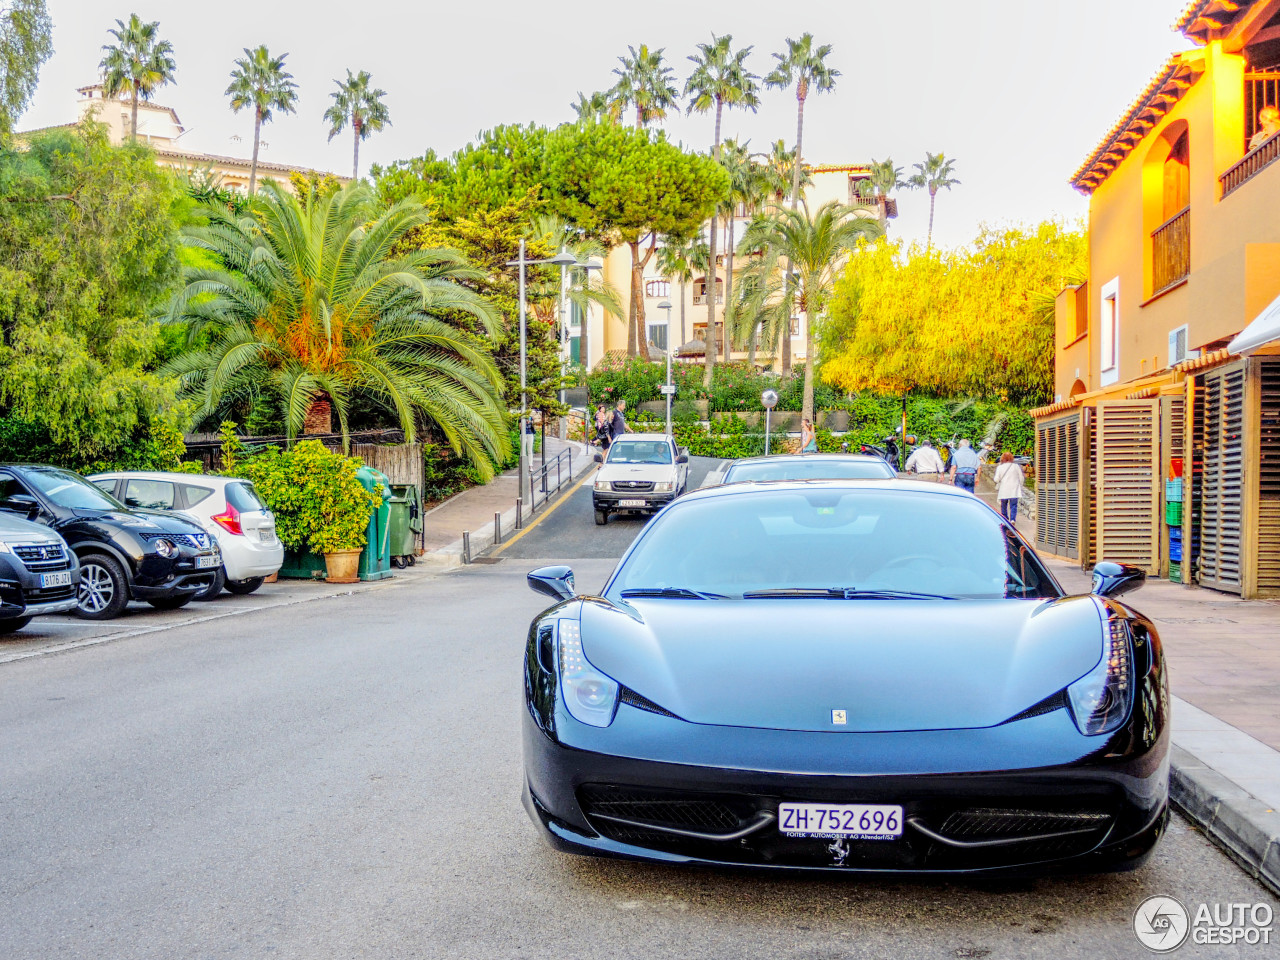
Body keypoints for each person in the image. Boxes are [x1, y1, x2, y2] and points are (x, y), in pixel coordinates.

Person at [994, 452, 1025, 522]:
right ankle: (1012, 519)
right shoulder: (1016, 466)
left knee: (1004, 505)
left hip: (1004, 489)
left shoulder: (1000, 467)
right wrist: (1020, 485)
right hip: (1014, 489)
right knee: (1013, 505)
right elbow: (1021, 477)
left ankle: (1005, 519)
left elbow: (996, 479)